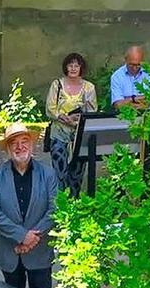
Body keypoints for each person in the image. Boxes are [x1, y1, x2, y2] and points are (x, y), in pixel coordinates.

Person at [0, 123, 59, 288]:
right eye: (14, 143)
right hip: (10, 252)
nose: (20, 147)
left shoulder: (48, 174)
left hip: (39, 251)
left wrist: (31, 239)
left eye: (24, 141)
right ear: (8, 149)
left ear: (32, 145)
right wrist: (21, 236)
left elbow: (54, 209)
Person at [45, 52, 98, 196]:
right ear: (66, 67)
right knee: (59, 171)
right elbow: (50, 109)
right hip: (59, 132)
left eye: (77, 65)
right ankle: (60, 203)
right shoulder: (57, 85)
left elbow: (92, 111)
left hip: (79, 134)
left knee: (78, 171)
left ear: (81, 68)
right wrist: (63, 117)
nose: (73, 68)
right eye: (70, 65)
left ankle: (74, 201)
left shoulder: (89, 88)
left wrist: (78, 118)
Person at [110, 45, 150, 110]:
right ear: (125, 60)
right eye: (132, 64)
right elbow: (118, 104)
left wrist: (128, 100)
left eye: (138, 65)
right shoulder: (117, 76)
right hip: (126, 116)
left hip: (149, 114)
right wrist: (135, 99)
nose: (134, 68)